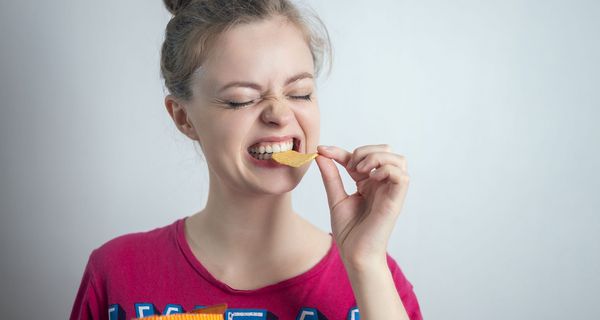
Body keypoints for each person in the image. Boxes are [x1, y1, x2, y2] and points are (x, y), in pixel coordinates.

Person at [70, 0, 423, 319]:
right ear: (183, 117)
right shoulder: (117, 274)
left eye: (299, 93)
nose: (278, 113)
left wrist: (365, 264)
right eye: (241, 99)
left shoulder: (378, 280)